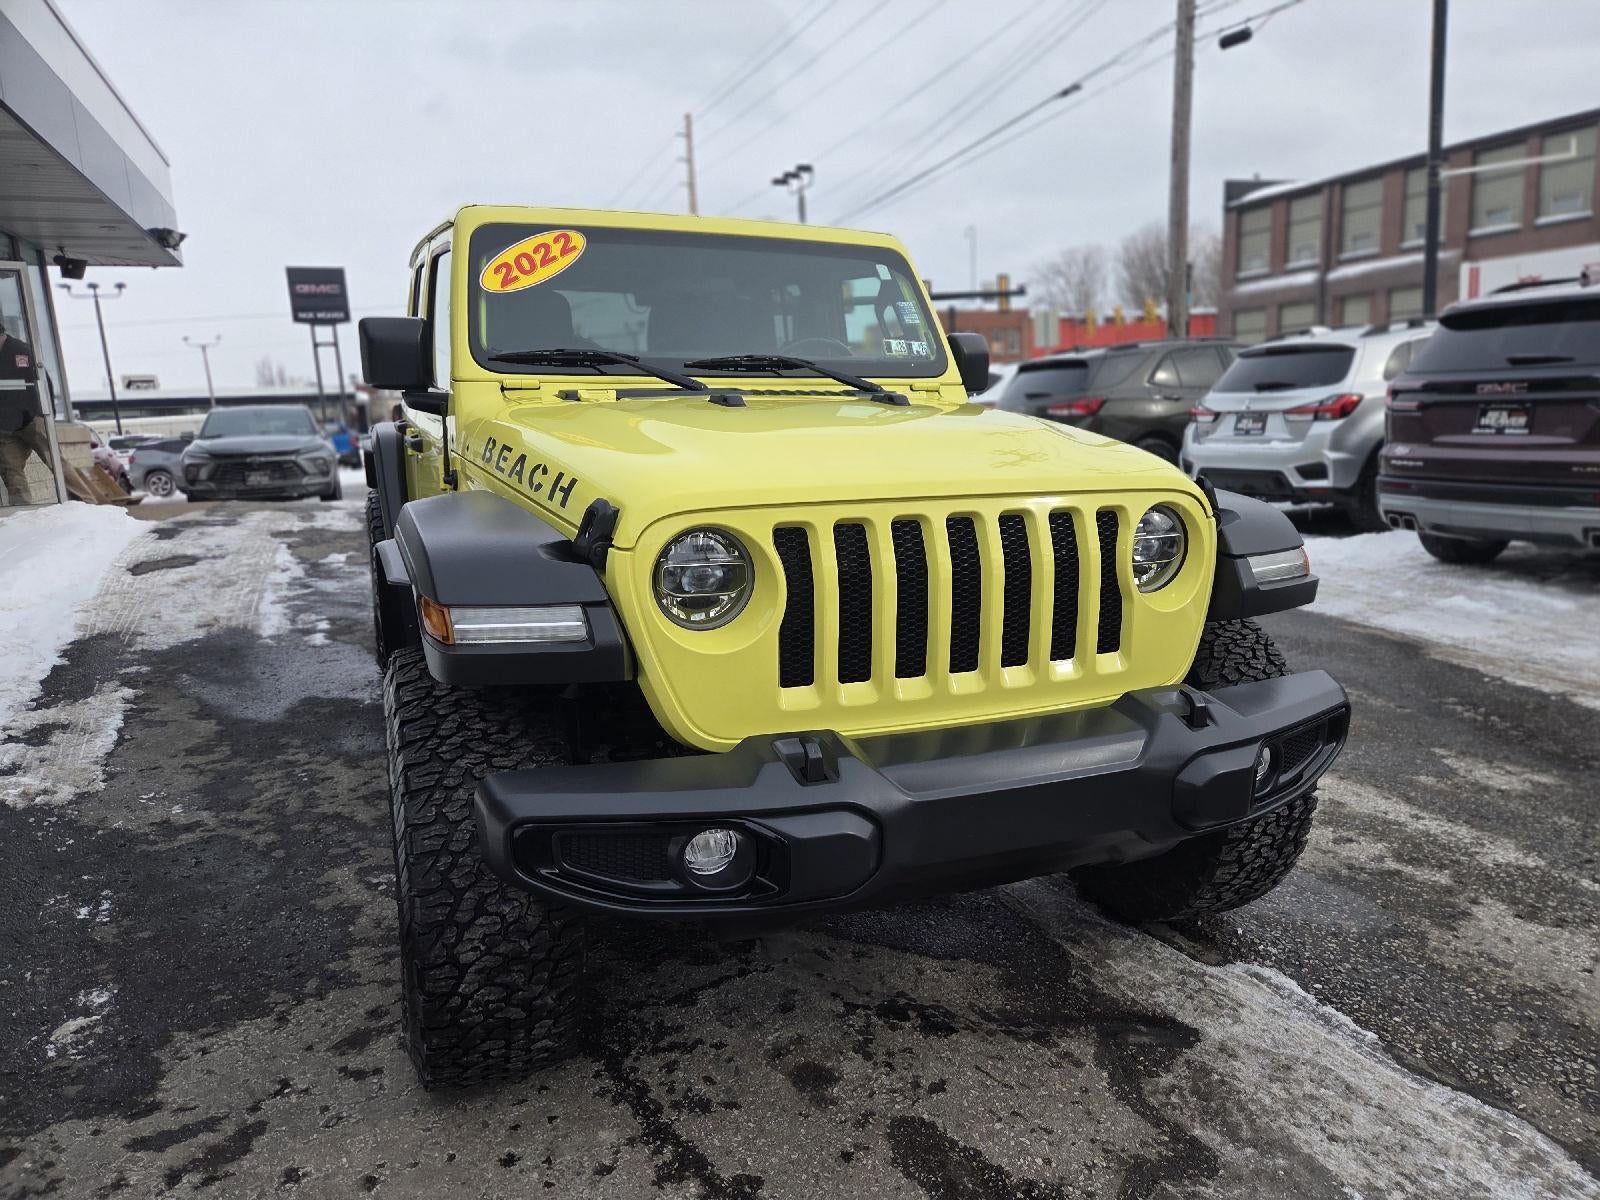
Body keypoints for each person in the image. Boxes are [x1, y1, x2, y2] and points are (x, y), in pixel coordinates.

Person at [0, 316, 50, 505]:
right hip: (6, 426)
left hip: (31, 420)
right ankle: (22, 512)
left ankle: (82, 500)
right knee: (10, 469)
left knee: (54, 460)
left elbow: (40, 383)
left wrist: (38, 415)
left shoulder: (22, 351)